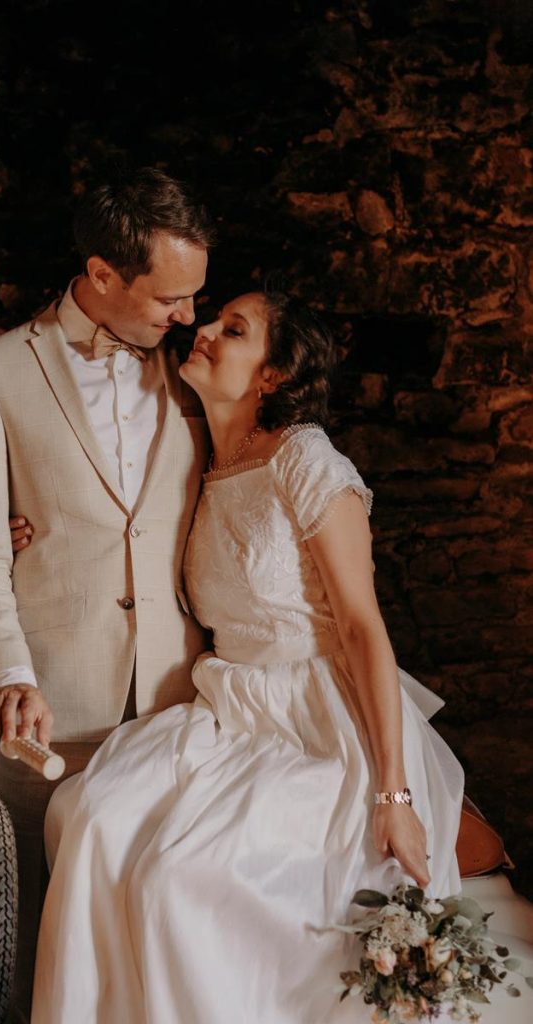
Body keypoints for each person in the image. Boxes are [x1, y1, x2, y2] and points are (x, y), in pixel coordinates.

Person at [28, 284, 465, 1024]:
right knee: (87, 815)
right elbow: (111, 529)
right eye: (212, 319)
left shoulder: (305, 457)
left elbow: (361, 627)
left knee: (174, 875)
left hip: (323, 725)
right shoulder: (195, 455)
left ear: (272, 375)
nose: (201, 330)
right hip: (229, 709)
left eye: (231, 329)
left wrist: (394, 798)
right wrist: (27, 529)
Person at [0, 167, 214, 1021]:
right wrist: (12, 675)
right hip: (53, 705)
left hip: (182, 704)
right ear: (102, 274)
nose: (189, 317)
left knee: (166, 926)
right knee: (30, 934)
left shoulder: (199, 378)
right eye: (171, 297)